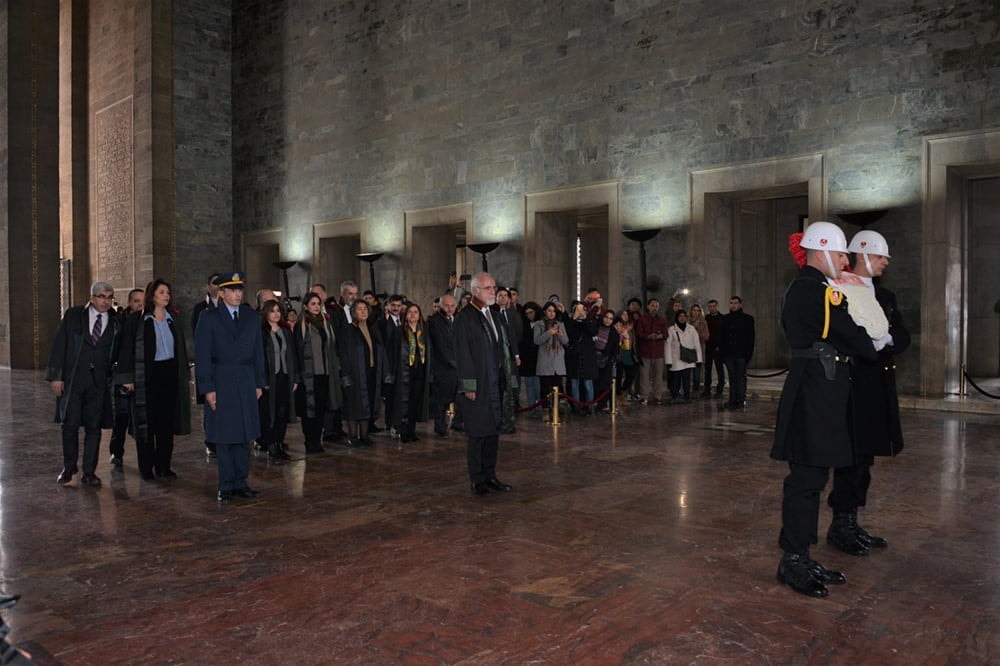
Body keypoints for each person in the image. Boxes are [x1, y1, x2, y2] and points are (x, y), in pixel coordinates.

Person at [770, 222, 879, 598]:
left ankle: (800, 554)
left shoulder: (815, 288)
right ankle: (793, 560)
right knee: (805, 481)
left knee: (812, 479)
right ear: (820, 252)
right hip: (813, 392)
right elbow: (851, 334)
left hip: (819, 388)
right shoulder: (813, 289)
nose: (845, 259)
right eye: (839, 253)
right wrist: (872, 343)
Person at [826, 230, 911, 556]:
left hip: (879, 385)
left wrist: (887, 340)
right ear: (862, 255)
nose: (885, 262)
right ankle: (840, 524)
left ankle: (851, 520)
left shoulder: (886, 296)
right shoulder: (839, 290)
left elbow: (902, 335)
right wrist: (869, 343)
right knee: (852, 458)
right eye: (880, 256)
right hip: (854, 385)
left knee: (867, 459)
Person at [194, 272, 266, 504]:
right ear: (221, 293)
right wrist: (207, 387)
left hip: (245, 380)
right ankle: (225, 484)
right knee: (225, 436)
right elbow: (202, 355)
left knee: (244, 434)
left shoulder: (251, 316)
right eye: (232, 290)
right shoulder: (209, 317)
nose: (237, 294)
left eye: (239, 290)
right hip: (221, 379)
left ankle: (240, 482)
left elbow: (258, 352)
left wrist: (258, 382)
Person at [45, 281, 122, 487]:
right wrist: (56, 376)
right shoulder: (73, 315)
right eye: (101, 296)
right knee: (69, 425)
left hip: (98, 384)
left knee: (94, 427)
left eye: (109, 297)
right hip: (73, 381)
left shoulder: (116, 323)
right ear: (92, 298)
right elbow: (59, 345)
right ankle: (69, 467)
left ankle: (89, 472)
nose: (106, 301)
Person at [116, 279, 191, 480]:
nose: (166, 295)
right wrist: (128, 378)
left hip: (168, 374)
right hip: (147, 376)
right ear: (152, 295)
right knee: (146, 424)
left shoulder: (173, 319)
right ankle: (147, 468)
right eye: (161, 292)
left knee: (166, 424)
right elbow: (126, 350)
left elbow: (181, 350)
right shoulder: (137, 320)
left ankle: (164, 466)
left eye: (168, 292)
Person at [455, 272, 516, 496]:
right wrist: (469, 385)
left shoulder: (495, 315)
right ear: (476, 291)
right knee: (478, 433)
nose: (494, 291)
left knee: (492, 432)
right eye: (489, 288)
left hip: (494, 383)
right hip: (478, 385)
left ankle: (490, 475)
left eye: (494, 287)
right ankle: (477, 478)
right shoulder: (465, 317)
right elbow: (463, 354)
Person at [293, 292, 343, 453]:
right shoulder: (301, 325)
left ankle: (317, 440)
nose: (316, 306)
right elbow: (297, 352)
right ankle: (309, 440)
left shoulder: (325, 324)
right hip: (309, 374)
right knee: (309, 410)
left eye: (318, 303)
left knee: (321, 408)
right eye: (313, 303)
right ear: (305, 306)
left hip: (325, 373)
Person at [338, 300, 386, 447]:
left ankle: (364, 436)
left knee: (367, 404)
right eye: (359, 309)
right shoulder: (347, 330)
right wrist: (345, 374)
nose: (363, 311)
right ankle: (353, 437)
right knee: (354, 405)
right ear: (353, 312)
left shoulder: (372, 329)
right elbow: (343, 354)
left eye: (365, 308)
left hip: (370, 372)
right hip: (354, 373)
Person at [108, 288, 145, 468]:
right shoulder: (121, 323)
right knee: (121, 417)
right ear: (130, 303)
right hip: (124, 379)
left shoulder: (147, 321)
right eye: (137, 301)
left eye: (143, 301)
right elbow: (122, 352)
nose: (140, 304)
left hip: (142, 378)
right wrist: (126, 378)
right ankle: (116, 452)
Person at [259, 299, 298, 462]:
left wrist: (295, 378)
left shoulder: (286, 332)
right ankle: (271, 446)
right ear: (266, 313)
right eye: (272, 311)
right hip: (270, 379)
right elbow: (259, 358)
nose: (276, 314)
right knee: (270, 413)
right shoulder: (262, 332)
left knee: (282, 412)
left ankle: (280, 443)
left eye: (278, 311)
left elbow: (293, 356)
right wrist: (263, 379)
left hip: (284, 377)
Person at [392, 303, 432, 443]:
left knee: (415, 403)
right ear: (405, 315)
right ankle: (403, 431)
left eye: (416, 312)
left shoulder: (424, 332)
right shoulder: (399, 331)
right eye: (410, 312)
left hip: (419, 372)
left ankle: (412, 431)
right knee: (404, 403)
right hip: (404, 372)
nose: (413, 315)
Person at [192, 273, 220, 458]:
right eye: (214, 283)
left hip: (226, 367)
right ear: (208, 286)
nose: (218, 287)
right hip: (210, 365)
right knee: (211, 406)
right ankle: (211, 440)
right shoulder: (201, 309)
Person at [428, 294, 459, 435]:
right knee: (442, 400)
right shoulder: (435, 321)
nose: (450, 308)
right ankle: (440, 426)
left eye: (453, 305)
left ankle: (458, 423)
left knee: (459, 397)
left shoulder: (459, 319)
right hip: (442, 368)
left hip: (458, 367)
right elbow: (440, 345)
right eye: (447, 305)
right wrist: (452, 361)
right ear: (441, 306)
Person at [533, 301, 568, 419]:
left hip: (557, 360)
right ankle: (545, 411)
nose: (552, 313)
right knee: (545, 387)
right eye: (549, 311)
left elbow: (566, 342)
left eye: (553, 311)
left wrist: (560, 335)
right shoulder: (539, 324)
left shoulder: (560, 324)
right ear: (544, 312)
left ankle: (555, 410)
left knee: (557, 386)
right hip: (545, 360)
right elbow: (537, 341)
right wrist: (549, 333)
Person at [719, 296, 755, 409]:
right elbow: (721, 338)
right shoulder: (725, 319)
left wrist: (748, 355)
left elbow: (751, 339)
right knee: (732, 377)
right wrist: (723, 355)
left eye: (735, 303)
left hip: (741, 354)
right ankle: (732, 399)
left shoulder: (748, 319)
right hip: (729, 354)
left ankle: (741, 399)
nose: (733, 305)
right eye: (731, 303)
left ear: (740, 304)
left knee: (741, 377)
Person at [565, 301, 598, 415]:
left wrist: (585, 318)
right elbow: (569, 333)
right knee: (574, 383)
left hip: (587, 357)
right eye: (577, 309)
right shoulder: (571, 323)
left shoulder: (589, 321)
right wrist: (574, 318)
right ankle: (576, 406)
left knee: (588, 383)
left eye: (582, 309)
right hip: (574, 357)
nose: (580, 311)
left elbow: (593, 331)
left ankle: (589, 406)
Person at [635, 298, 669, 405]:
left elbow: (666, 334)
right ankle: (644, 396)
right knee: (644, 375)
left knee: (658, 375)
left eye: (656, 306)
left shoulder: (662, 320)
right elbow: (639, 333)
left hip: (658, 352)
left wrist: (660, 336)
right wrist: (648, 336)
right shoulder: (642, 319)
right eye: (652, 305)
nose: (654, 308)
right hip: (645, 351)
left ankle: (657, 396)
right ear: (648, 307)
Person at [666, 309, 702, 403]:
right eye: (680, 316)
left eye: (684, 316)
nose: (682, 318)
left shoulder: (691, 329)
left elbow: (696, 344)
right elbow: (668, 345)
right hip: (676, 359)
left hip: (688, 358)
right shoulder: (671, 329)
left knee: (686, 379)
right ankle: (675, 396)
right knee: (676, 380)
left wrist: (699, 359)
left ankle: (687, 396)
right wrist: (668, 361)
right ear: (677, 318)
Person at [517, 302, 542, 418]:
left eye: (531, 313)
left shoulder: (541, 323)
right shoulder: (523, 324)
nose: (529, 315)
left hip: (539, 359)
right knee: (529, 386)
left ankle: (540, 408)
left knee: (538, 386)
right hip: (527, 359)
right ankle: (532, 409)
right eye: (526, 313)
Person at [594, 309, 620, 413]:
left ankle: (602, 404)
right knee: (594, 382)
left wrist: (612, 359)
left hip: (606, 360)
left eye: (610, 319)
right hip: (593, 357)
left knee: (605, 383)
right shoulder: (596, 327)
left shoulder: (614, 333)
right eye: (606, 317)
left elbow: (615, 349)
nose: (607, 320)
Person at [701, 299, 725, 399]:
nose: (712, 308)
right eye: (710, 306)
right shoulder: (706, 318)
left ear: (717, 306)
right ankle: (707, 390)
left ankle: (720, 391)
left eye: (713, 306)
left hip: (718, 349)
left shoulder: (723, 318)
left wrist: (720, 346)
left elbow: (725, 334)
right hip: (708, 348)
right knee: (707, 370)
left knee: (720, 370)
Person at [615, 309, 640, 400]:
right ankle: (617, 392)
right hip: (619, 353)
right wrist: (622, 333)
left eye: (626, 314)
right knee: (618, 374)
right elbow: (617, 340)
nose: (625, 316)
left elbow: (632, 340)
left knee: (633, 371)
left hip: (628, 353)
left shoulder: (629, 327)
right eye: (623, 314)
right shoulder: (617, 325)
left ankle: (623, 388)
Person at [688, 304, 709, 398]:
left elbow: (706, 336)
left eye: (697, 310)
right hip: (688, 350)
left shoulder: (703, 322)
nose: (695, 312)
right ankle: (686, 391)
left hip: (698, 350)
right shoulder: (687, 321)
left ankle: (696, 391)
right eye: (694, 310)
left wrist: (696, 333)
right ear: (691, 311)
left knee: (697, 375)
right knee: (687, 373)